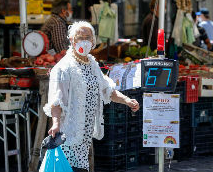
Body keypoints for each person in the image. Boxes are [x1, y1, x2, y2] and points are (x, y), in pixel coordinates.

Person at [43, 21, 140, 172]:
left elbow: (107, 89)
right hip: (68, 135)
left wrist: (127, 100)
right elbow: (56, 100)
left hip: (85, 137)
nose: (83, 41)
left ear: (93, 40)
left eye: (87, 37)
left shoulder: (92, 64)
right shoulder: (63, 68)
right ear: (71, 40)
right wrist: (55, 124)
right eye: (79, 37)